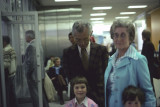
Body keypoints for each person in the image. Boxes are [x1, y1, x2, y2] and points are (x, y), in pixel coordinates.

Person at [104, 20, 156, 107]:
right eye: (116, 35)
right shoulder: (111, 60)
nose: (119, 39)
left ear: (131, 38)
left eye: (123, 35)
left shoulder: (138, 60)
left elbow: (147, 92)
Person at [62, 21, 108, 107]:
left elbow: (106, 74)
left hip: (98, 96)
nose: (82, 43)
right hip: (78, 97)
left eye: (85, 39)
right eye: (78, 39)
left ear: (91, 34)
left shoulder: (101, 50)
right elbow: (69, 76)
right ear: (73, 35)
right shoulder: (67, 53)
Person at [24, 30, 49, 107]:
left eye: (25, 36)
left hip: (33, 76)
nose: (25, 38)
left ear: (28, 36)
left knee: (35, 96)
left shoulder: (31, 46)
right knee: (41, 94)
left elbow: (31, 62)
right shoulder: (38, 45)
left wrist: (27, 74)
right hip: (40, 74)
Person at [3, 36, 18, 107]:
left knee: (7, 93)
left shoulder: (6, 50)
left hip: (8, 74)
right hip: (12, 73)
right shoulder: (11, 48)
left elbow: (6, 63)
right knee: (12, 92)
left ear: (5, 42)